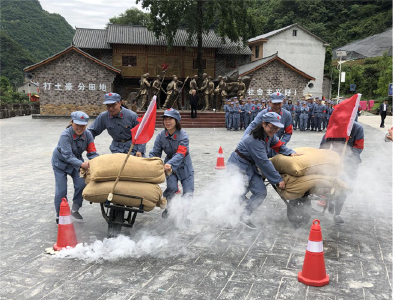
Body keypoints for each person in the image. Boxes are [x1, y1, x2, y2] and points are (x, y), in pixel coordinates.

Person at [228, 112, 299, 229]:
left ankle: (244, 216)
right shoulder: (254, 140)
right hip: (238, 166)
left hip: (250, 166)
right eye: (272, 126)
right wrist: (278, 180)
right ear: (264, 124)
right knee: (239, 193)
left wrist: (290, 152)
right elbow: (264, 163)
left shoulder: (269, 135)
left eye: (277, 128)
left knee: (260, 192)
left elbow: (278, 145)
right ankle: (226, 217)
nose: (274, 130)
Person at [52, 111, 99, 223]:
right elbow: (67, 156)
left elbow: (92, 152)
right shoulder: (65, 135)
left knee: (81, 184)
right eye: (77, 124)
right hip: (60, 163)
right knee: (61, 190)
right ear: (72, 122)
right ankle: (60, 215)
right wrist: (82, 164)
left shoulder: (88, 135)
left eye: (82, 125)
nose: (79, 128)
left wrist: (98, 162)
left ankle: (75, 209)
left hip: (76, 163)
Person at [149, 108, 194, 220]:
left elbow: (181, 153)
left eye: (170, 119)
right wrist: (148, 163)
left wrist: (170, 164)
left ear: (176, 121)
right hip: (169, 168)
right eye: (165, 119)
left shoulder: (183, 135)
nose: (167, 122)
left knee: (188, 191)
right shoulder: (160, 136)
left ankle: (184, 215)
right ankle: (169, 207)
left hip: (184, 166)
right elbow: (155, 152)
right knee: (171, 187)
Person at [320, 121, 364, 224]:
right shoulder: (334, 126)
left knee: (347, 188)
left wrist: (347, 158)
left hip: (351, 163)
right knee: (332, 185)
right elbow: (324, 145)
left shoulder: (358, 128)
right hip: (334, 162)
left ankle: (337, 211)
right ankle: (333, 205)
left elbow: (359, 148)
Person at [245, 92, 293, 157]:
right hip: (263, 144)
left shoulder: (287, 115)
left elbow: (288, 132)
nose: (277, 106)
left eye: (279, 103)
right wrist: (244, 141)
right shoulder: (263, 113)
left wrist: (281, 144)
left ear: (282, 103)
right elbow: (252, 126)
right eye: (274, 103)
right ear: (270, 102)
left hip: (276, 146)